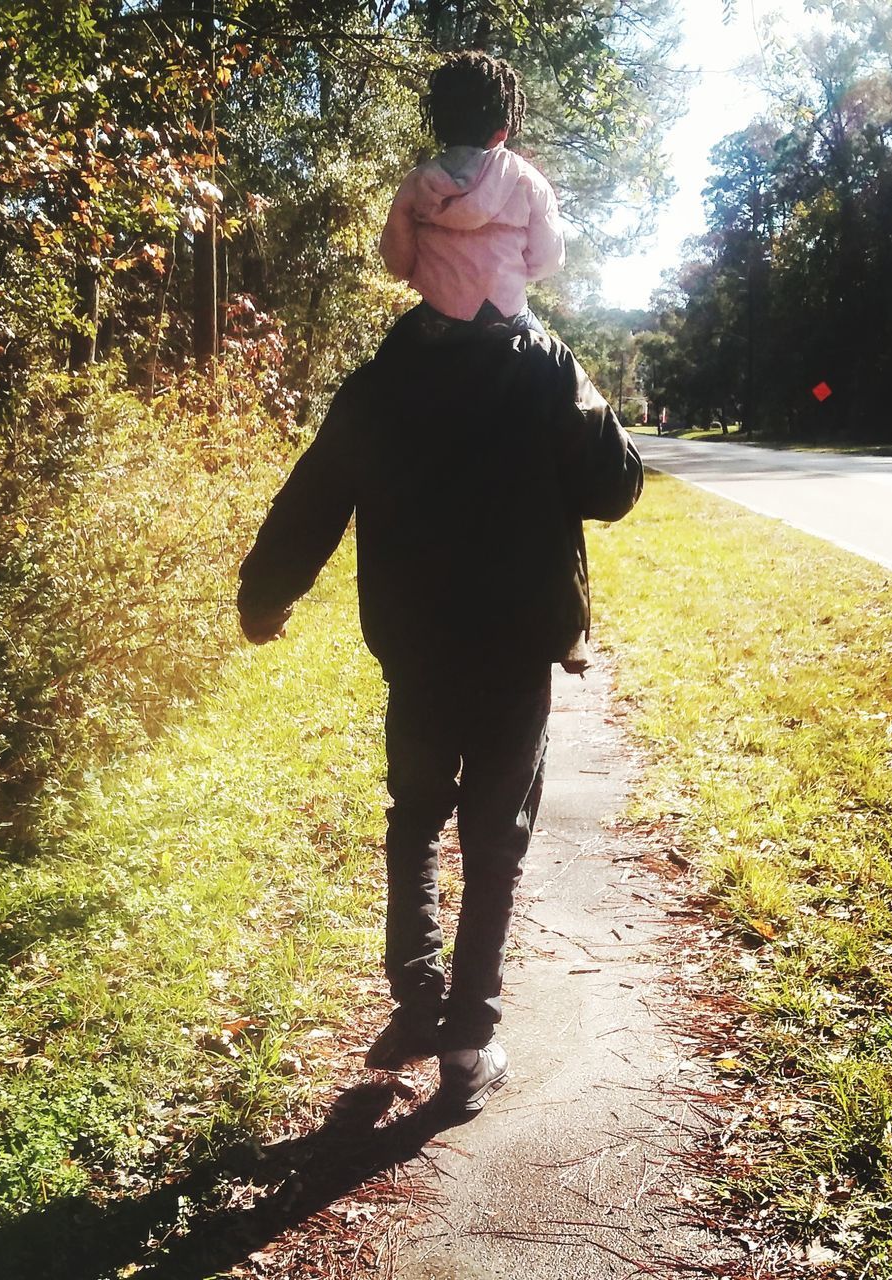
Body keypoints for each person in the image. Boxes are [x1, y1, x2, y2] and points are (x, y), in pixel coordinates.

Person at [237, 51, 643, 1116]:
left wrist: (265, 590)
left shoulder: (383, 375)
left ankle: (419, 997)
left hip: (413, 638)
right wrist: (594, 405)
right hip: (516, 641)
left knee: (417, 811)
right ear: (508, 134)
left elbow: (318, 486)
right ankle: (468, 1039)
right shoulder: (551, 366)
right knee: (494, 835)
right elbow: (610, 491)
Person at [379, 51, 565, 333]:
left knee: (381, 372)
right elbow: (549, 260)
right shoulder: (528, 181)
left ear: (439, 123)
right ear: (503, 130)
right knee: (561, 371)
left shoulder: (416, 183)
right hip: (509, 325)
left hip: (434, 328)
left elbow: (397, 260)